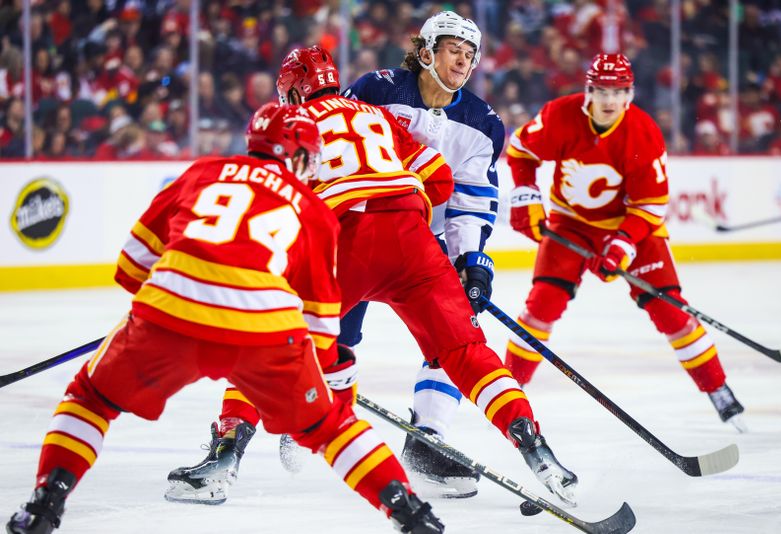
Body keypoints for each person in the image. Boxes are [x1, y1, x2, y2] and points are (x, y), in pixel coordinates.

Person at [166, 45, 578, 510]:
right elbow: (440, 179)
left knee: (268, 342)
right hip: (413, 241)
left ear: (294, 92)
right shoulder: (375, 115)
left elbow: (270, 201)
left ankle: (226, 456)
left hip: (344, 245)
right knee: (464, 350)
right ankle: (534, 447)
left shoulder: (289, 124)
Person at [6, 103, 444, 534]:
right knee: (331, 428)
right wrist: (328, 372)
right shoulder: (313, 210)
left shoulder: (201, 172)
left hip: (169, 315)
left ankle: (45, 504)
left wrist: (159, 315)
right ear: (297, 155)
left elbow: (131, 266)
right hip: (264, 334)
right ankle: (410, 514)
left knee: (91, 398)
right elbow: (321, 323)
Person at [503, 53, 747, 433]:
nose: (609, 100)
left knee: (671, 313)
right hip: (570, 225)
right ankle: (507, 392)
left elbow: (650, 206)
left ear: (630, 94)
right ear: (588, 91)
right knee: (541, 307)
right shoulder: (560, 115)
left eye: (618, 92)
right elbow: (521, 152)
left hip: (629, 226)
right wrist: (524, 194)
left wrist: (622, 244)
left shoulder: (644, 133)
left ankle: (717, 389)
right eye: (601, 90)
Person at [340, 10, 505, 499]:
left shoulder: (482, 121)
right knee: (327, 332)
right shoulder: (376, 88)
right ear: (427, 51)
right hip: (356, 228)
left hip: (420, 244)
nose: (464, 58)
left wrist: (470, 258)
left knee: (457, 334)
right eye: (454, 47)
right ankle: (274, 423)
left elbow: (472, 199)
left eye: (471, 52)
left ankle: (428, 438)